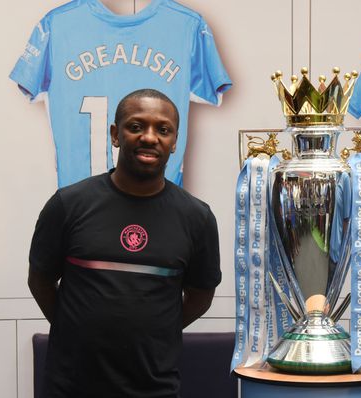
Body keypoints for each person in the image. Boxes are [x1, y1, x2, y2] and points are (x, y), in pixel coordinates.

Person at [28, 88, 222, 397]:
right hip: (71, 386)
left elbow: (200, 295)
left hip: (153, 387)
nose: (149, 137)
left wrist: (154, 333)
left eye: (163, 129)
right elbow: (40, 280)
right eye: (136, 126)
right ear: (115, 135)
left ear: (174, 142)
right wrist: (74, 330)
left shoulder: (196, 218)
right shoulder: (68, 204)